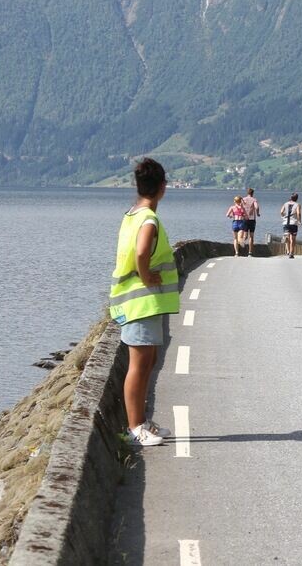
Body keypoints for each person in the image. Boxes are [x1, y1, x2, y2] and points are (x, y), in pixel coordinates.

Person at [108, 158, 179, 446]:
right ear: (163, 187)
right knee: (138, 364)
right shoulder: (149, 219)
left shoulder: (132, 215)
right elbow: (141, 251)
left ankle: (141, 423)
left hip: (140, 303)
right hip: (141, 302)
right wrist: (147, 274)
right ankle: (135, 428)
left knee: (146, 361)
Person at [280, 193, 301, 258]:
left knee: (287, 237)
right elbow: (298, 213)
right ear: (297, 198)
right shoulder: (297, 205)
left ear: (291, 197)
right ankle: (291, 253)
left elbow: (281, 212)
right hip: (293, 223)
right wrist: (299, 221)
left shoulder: (285, 203)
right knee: (293, 239)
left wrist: (283, 216)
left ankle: (288, 251)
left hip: (286, 223)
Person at [241, 188, 260, 256]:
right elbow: (257, 207)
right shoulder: (254, 200)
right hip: (252, 219)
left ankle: (242, 242)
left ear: (247, 193)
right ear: (252, 193)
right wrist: (257, 213)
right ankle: (250, 252)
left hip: (245, 218)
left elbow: (241, 207)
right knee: (251, 236)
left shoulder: (243, 199)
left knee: (245, 235)